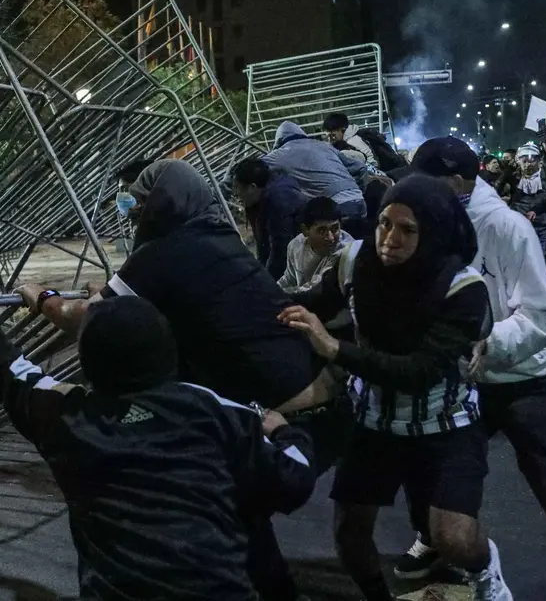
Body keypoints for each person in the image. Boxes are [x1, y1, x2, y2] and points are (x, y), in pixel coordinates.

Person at [18, 159, 337, 599]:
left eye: (139, 199)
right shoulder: (215, 236)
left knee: (232, 517)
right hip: (313, 400)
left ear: (163, 203)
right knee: (242, 519)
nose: (130, 209)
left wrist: (45, 298)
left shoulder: (165, 251)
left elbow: (85, 320)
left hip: (281, 419)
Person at [0, 286, 316, 600]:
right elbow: (294, 480)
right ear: (167, 350)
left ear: (89, 361)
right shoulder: (211, 409)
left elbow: (8, 367)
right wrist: (284, 432)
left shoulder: (66, 418)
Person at [395, 137, 546, 601]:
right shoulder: (430, 224)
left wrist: (486, 342)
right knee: (426, 469)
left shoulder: (507, 227)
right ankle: (437, 539)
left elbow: (543, 315)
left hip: (534, 378)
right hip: (466, 380)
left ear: (456, 183)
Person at [279, 175, 511, 601]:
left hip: (445, 425)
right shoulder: (355, 259)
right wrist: (236, 292)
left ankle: (485, 569)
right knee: (350, 532)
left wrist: (334, 348)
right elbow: (313, 301)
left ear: (435, 232)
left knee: (454, 538)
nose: (390, 238)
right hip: (376, 420)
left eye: (408, 230)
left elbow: (417, 371)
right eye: (385, 223)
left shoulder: (463, 287)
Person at [264, 121, 368, 236]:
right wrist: (358, 190)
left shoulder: (279, 155)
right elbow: (360, 167)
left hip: (335, 209)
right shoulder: (323, 145)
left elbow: (253, 168)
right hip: (360, 202)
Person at [231, 157, 309, 279]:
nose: (236, 194)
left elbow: (281, 249)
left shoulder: (278, 201)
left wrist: (266, 282)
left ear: (252, 187)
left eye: (238, 188)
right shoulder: (272, 192)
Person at [278, 196, 355, 293]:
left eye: (335, 229)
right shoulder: (296, 245)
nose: (331, 238)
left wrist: (278, 296)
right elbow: (289, 279)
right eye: (322, 231)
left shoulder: (347, 252)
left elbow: (315, 290)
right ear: (305, 230)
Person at [508, 144, 546, 277]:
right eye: (524, 161)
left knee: (542, 257)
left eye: (532, 160)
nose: (528, 164)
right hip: (520, 226)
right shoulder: (514, 178)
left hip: (543, 225)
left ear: (538, 161)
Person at [325, 113, 408, 173]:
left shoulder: (353, 141)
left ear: (342, 130)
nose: (330, 139)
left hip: (387, 173)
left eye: (333, 135)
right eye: (327, 136)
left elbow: (373, 162)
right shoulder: (356, 135)